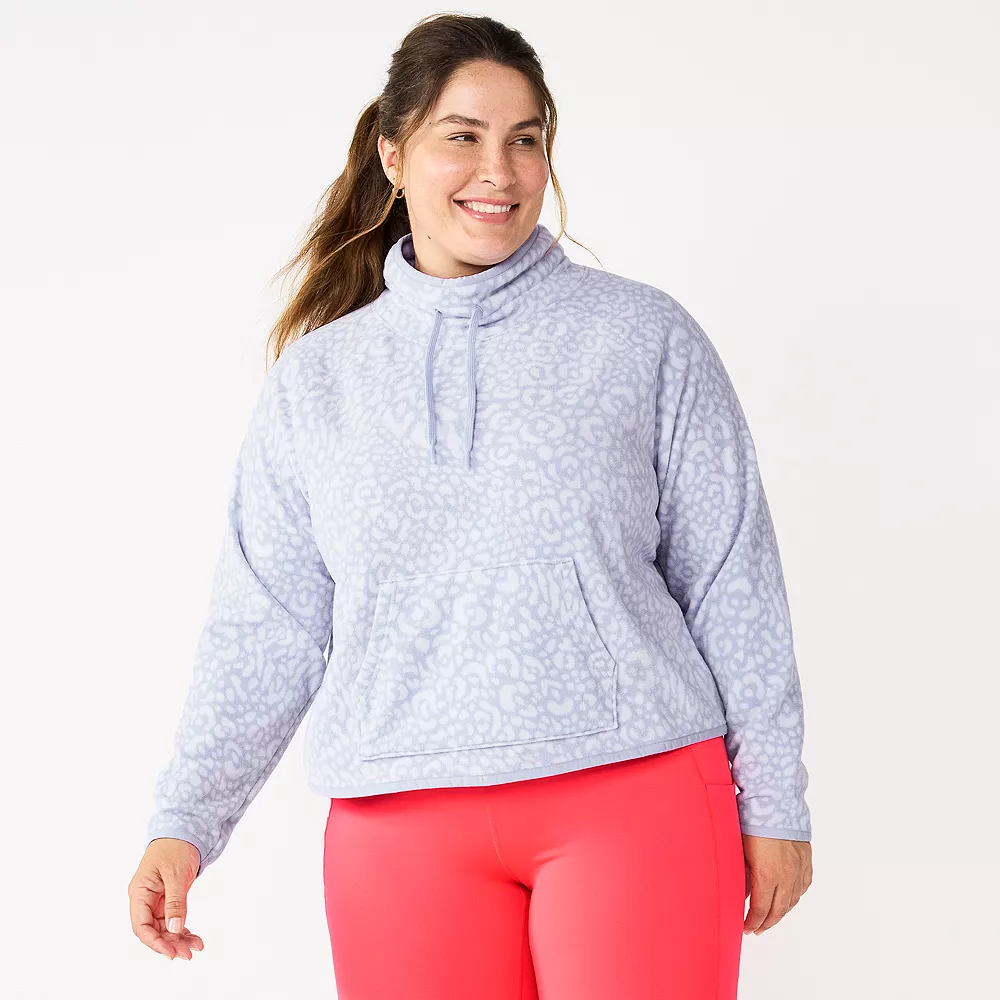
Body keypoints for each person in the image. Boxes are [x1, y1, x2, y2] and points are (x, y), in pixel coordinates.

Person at [128, 12, 813, 998]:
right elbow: (267, 623)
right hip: (399, 822)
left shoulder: (642, 338)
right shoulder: (319, 382)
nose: (499, 171)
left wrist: (775, 797)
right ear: (393, 154)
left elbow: (730, 580)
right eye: (463, 136)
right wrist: (186, 819)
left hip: (636, 793)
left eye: (524, 140)